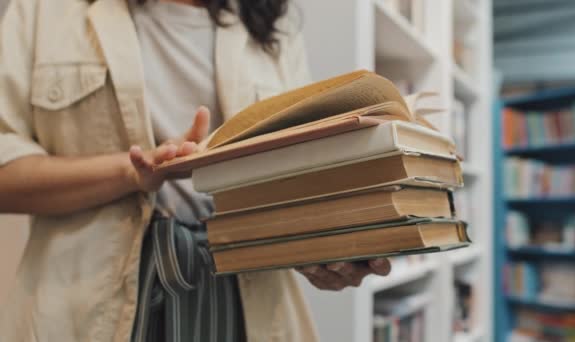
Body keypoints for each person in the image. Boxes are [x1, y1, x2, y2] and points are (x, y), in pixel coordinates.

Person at [0, 0, 392, 340]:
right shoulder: (46, 10)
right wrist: (132, 174)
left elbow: (299, 176)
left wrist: (328, 250)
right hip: (84, 307)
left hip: (245, 299)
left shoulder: (273, 25)